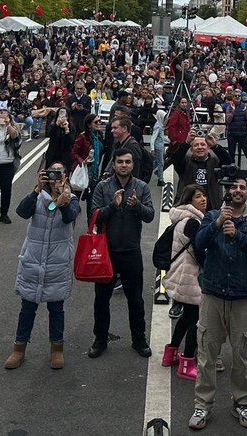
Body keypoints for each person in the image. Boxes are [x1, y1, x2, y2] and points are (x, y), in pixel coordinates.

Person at [188, 173, 247, 430]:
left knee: (241, 355)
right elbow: (199, 243)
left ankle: (242, 402)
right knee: (207, 354)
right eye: (233, 187)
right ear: (226, 191)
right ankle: (202, 404)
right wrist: (219, 222)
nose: (238, 191)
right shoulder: (211, 216)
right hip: (213, 292)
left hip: (243, 295)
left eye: (242, 187)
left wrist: (236, 236)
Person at [5, 159, 79, 371]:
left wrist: (62, 200)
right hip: (34, 259)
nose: (55, 177)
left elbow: (69, 218)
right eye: (51, 173)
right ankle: (19, 348)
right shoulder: (37, 196)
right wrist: (37, 189)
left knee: (56, 307)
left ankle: (57, 348)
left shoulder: (71, 198)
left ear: (66, 177)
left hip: (57, 262)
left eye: (59, 173)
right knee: (27, 306)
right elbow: (21, 212)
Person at [89, 149, 155, 358]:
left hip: (131, 252)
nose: (124, 165)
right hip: (107, 252)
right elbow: (94, 216)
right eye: (120, 162)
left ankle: (139, 339)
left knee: (135, 299)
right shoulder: (103, 186)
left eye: (127, 162)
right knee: (101, 299)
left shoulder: (141, 187)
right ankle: (100, 339)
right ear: (114, 164)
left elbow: (150, 215)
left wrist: (136, 207)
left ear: (132, 165)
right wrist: (112, 206)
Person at [161, 185, 207, 381]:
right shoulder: (193, 222)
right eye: (198, 196)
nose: (203, 199)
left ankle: (170, 354)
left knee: (187, 317)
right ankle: (187, 362)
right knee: (195, 320)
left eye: (204, 195)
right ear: (190, 201)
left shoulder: (182, 218)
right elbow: (199, 253)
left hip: (182, 275)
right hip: (190, 278)